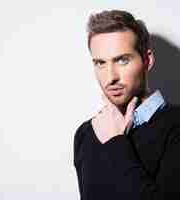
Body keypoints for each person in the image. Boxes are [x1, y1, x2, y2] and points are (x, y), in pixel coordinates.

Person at [73, 9, 180, 200]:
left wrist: (116, 144)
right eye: (100, 63)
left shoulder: (175, 126)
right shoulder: (86, 134)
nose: (111, 77)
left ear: (147, 60)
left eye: (122, 60)